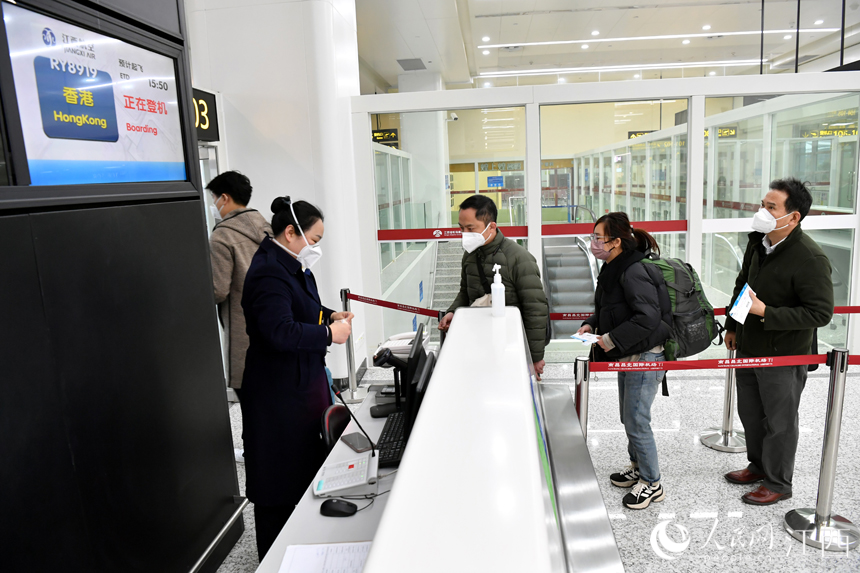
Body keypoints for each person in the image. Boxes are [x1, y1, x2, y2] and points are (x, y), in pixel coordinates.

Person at [240, 196, 353, 560]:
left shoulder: (292, 264)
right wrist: (327, 335)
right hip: (278, 392)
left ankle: (304, 551)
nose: (316, 248)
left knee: (303, 464)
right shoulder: (269, 271)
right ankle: (276, 560)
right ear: (291, 233)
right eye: (314, 239)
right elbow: (279, 330)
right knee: (279, 477)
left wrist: (327, 314)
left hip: (302, 383)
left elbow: (301, 309)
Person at [723, 178, 833, 506]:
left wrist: (766, 312)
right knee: (751, 414)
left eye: (771, 207)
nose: (762, 212)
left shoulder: (810, 257)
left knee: (780, 422)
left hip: (784, 355)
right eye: (763, 205)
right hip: (748, 345)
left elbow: (820, 313)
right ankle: (758, 467)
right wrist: (733, 325)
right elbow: (744, 283)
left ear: (794, 217)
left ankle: (778, 482)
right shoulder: (758, 243)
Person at [577, 212, 672, 510]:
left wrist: (610, 339)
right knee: (628, 417)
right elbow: (612, 307)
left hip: (644, 355)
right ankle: (638, 467)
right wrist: (592, 324)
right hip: (628, 352)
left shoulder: (633, 271)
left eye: (597, 238)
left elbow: (647, 318)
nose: (593, 243)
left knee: (637, 420)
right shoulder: (613, 267)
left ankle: (652, 483)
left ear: (616, 242)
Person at [438, 195, 549, 378]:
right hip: (478, 345)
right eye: (461, 228)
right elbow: (465, 292)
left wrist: (534, 357)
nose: (465, 234)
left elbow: (535, 310)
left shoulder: (519, 258)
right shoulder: (470, 256)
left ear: (492, 226)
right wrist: (452, 311)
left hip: (511, 347)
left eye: (471, 228)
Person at [208, 171, 272, 404]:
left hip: (243, 332)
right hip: (274, 323)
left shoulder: (222, 236)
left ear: (224, 198)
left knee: (252, 408)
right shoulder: (265, 226)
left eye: (213, 198)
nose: (213, 205)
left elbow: (218, 290)